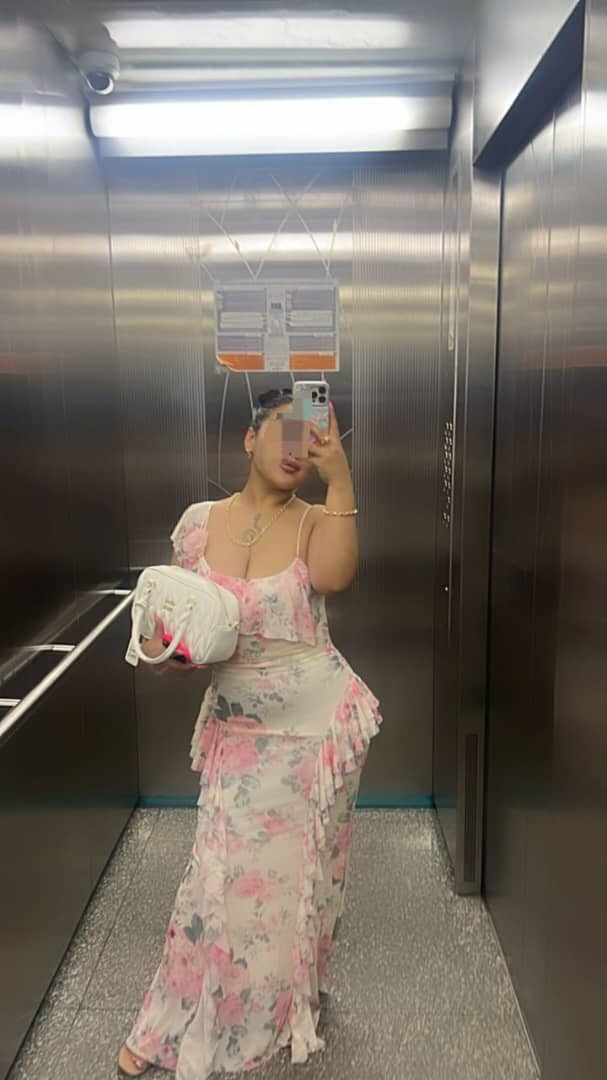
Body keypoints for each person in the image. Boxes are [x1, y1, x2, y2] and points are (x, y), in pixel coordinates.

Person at [118, 388, 382, 1079]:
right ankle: (175, 1015)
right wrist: (169, 653)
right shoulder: (196, 525)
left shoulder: (316, 520)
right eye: (285, 432)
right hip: (239, 728)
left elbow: (336, 576)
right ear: (248, 437)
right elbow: (183, 631)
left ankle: (285, 1009)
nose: (298, 450)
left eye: (312, 440)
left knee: (299, 882)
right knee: (215, 877)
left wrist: (341, 478)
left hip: (317, 734)